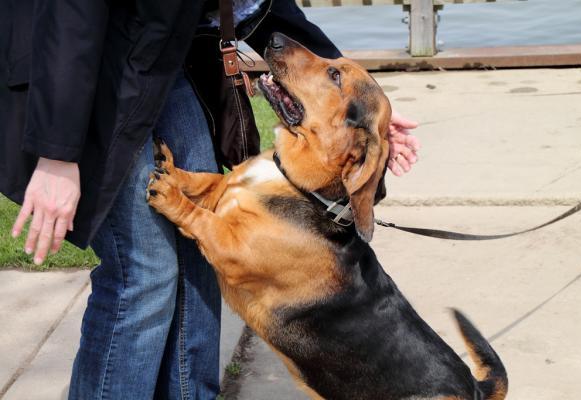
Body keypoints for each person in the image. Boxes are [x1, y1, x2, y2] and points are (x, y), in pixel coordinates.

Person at [1, 0, 419, 398]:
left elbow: (257, 5)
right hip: (75, 67)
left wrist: (366, 111)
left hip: (161, 53)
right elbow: (72, 15)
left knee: (200, 241)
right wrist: (57, 153)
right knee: (144, 275)